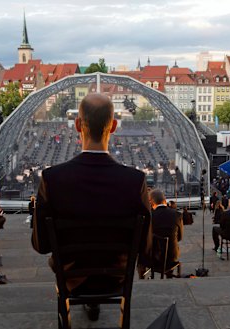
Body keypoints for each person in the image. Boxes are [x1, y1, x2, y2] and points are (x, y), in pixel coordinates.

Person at [32, 93, 152, 322]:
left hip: (71, 277)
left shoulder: (52, 179)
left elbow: (41, 245)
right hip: (117, 277)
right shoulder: (135, 181)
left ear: (78, 125)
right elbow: (144, 247)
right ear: (114, 126)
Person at [149, 189, 183, 277]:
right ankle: (169, 275)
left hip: (153, 259)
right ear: (164, 200)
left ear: (151, 202)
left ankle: (142, 279)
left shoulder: (149, 216)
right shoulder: (177, 214)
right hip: (172, 257)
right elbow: (179, 237)